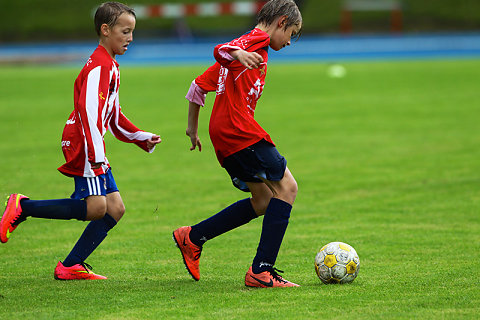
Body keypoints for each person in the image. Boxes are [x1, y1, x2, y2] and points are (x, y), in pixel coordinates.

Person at [0, 2, 161, 280]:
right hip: (85, 142)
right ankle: (22, 207)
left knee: (115, 208)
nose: (130, 38)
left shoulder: (110, 65)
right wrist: (96, 151)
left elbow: (112, 115)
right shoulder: (100, 66)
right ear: (106, 30)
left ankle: (71, 265)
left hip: (89, 141)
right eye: (125, 31)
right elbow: (88, 113)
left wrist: (140, 137)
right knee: (97, 208)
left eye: (132, 32)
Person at [173, 0, 302, 288]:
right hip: (238, 131)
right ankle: (262, 270)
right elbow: (220, 49)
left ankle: (191, 237)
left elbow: (196, 87)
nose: (290, 42)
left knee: (263, 200)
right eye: (291, 33)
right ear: (281, 22)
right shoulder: (256, 41)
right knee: (288, 188)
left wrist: (192, 130)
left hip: (224, 135)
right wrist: (240, 52)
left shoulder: (236, 60)